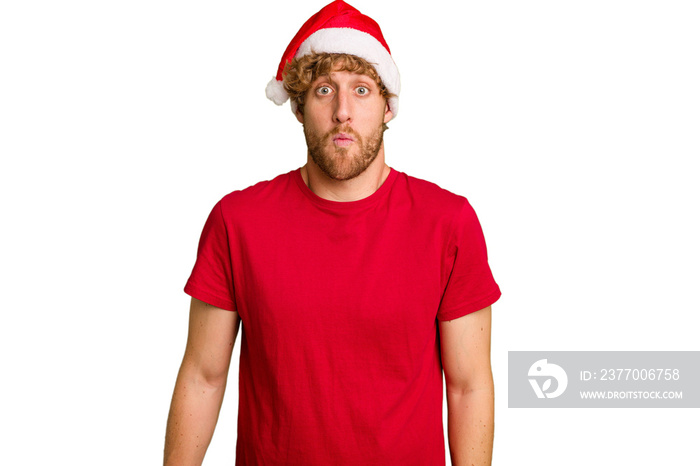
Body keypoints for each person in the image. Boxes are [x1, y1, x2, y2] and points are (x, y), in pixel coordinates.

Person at [164, 1, 500, 465]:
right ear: (299, 106)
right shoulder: (237, 221)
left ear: (388, 107)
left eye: (361, 90)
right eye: (325, 89)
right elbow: (203, 375)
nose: (343, 111)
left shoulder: (448, 222)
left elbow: (469, 387)